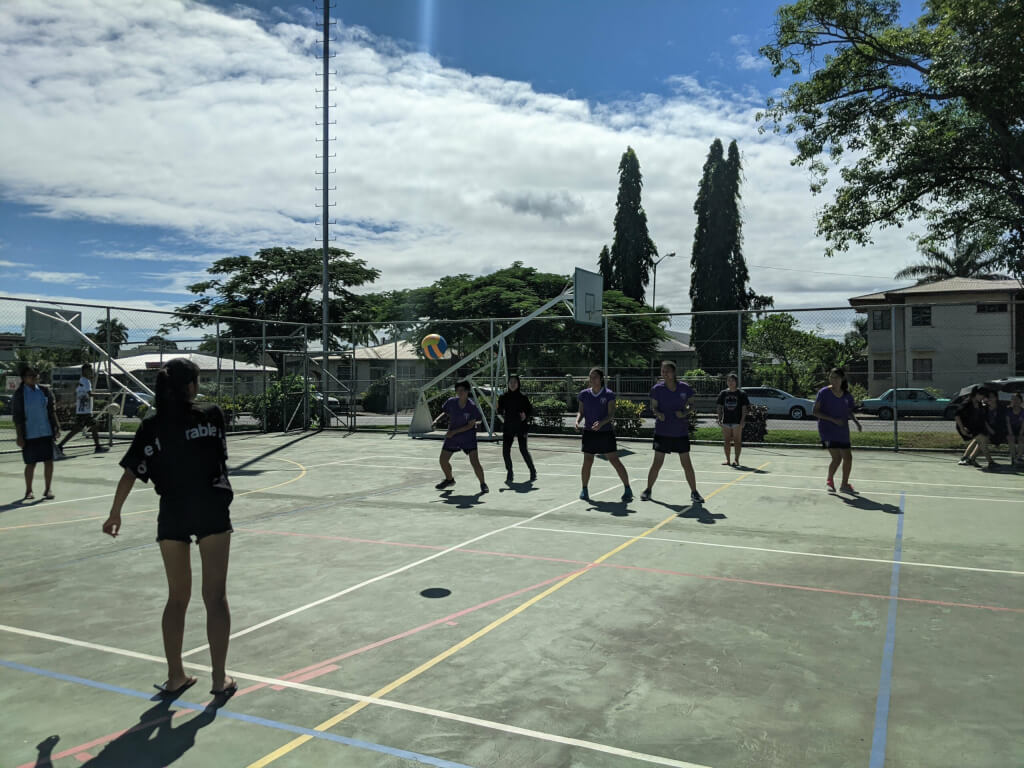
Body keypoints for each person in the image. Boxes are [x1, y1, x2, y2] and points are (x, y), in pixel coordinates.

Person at [101, 358, 237, 700]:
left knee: (177, 598)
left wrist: (115, 513)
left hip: (173, 510)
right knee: (215, 597)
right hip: (210, 508)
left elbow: (131, 471)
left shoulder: (152, 425)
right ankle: (218, 679)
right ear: (191, 386)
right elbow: (219, 459)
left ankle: (176, 676)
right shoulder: (212, 415)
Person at [642, 361, 704, 503]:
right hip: (662, 432)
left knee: (687, 464)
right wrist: (658, 414)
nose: (664, 374)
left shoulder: (684, 388)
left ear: (674, 372)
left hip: (680, 432)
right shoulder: (657, 389)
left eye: (667, 371)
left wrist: (684, 413)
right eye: (663, 371)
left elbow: (692, 405)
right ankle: (648, 490)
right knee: (657, 463)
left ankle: (694, 492)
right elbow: (654, 407)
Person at [575, 367, 632, 502]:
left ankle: (627, 488)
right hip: (589, 432)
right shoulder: (584, 394)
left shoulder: (608, 394)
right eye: (590, 376)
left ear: (601, 379)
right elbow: (581, 411)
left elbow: (611, 414)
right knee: (587, 461)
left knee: (614, 460)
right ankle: (584, 489)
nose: (592, 379)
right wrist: (577, 421)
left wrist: (601, 423)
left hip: (605, 433)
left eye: (595, 377)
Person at [12, 364, 60, 500]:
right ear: (23, 378)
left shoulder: (44, 391)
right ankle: (29, 490)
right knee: (30, 463)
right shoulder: (20, 394)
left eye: (35, 375)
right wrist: (19, 436)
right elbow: (17, 416)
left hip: (45, 431)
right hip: (30, 433)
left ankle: (48, 489)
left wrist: (56, 426)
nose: (33, 378)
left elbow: (51, 410)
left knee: (48, 461)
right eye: (30, 375)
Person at [432, 380, 488, 494]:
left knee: (475, 462)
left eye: (462, 390)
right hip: (453, 437)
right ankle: (449, 479)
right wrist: (436, 420)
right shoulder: (451, 402)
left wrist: (453, 432)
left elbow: (470, 425)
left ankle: (483, 484)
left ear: (467, 391)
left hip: (468, 437)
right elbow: (445, 413)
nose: (460, 392)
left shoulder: (471, 406)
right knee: (443, 460)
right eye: (457, 390)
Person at [813, 367, 862, 493]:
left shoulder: (847, 395)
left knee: (848, 458)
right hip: (827, 430)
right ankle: (830, 480)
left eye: (836, 377)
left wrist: (856, 422)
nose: (833, 380)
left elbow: (849, 411)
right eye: (831, 377)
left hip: (842, 430)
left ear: (842, 379)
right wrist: (833, 420)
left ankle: (844, 485)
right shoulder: (824, 392)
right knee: (837, 458)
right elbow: (815, 412)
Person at [57, 363, 108, 456]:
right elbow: (90, 394)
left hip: (83, 410)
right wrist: (105, 395)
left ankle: (97, 446)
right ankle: (60, 446)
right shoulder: (86, 381)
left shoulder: (82, 380)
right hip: (85, 411)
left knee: (88, 427)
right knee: (85, 427)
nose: (91, 372)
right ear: (84, 371)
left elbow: (79, 393)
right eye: (90, 370)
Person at [497, 374, 537, 484]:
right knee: (505, 451)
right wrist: (499, 409)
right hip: (508, 427)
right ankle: (510, 472)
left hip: (521, 427)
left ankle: (532, 470)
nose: (512, 384)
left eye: (515, 382)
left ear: (518, 383)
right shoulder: (503, 397)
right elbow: (499, 411)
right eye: (510, 382)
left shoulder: (523, 397)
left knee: (523, 450)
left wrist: (525, 415)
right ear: (508, 383)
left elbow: (530, 410)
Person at [716, 373, 749, 467]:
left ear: (736, 382)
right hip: (726, 421)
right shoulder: (723, 393)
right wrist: (719, 418)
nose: (730, 382)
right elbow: (719, 407)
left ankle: (736, 460)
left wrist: (742, 420)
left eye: (732, 380)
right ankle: (728, 460)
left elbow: (744, 408)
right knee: (726, 441)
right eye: (729, 380)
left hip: (737, 421)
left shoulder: (741, 393)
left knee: (737, 441)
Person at [956, 387, 994, 467]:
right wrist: (962, 429)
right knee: (982, 439)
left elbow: (982, 418)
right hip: (965, 427)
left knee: (984, 439)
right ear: (976, 394)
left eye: (984, 396)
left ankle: (967, 458)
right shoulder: (967, 403)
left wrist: (987, 406)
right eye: (981, 396)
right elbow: (957, 415)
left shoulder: (980, 404)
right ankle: (990, 462)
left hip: (974, 427)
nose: (982, 398)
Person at [1006, 392, 1024, 466]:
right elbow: (1008, 423)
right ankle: (1013, 458)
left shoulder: (1023, 411)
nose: (1015, 401)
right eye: (1013, 399)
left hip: (1020, 429)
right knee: (1011, 438)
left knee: (1021, 439)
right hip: (1010, 429)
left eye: (1017, 399)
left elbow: (1023, 424)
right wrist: (1011, 433)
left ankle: (1018, 458)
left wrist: (1020, 434)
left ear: (1021, 401)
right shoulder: (1008, 410)